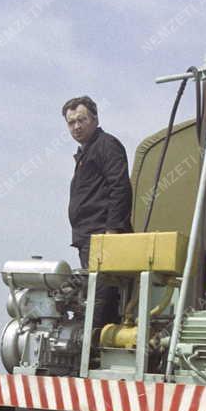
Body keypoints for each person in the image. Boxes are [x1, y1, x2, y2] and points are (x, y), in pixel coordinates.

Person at [63, 95, 134, 328]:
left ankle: (92, 353)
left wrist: (112, 231)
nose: (76, 126)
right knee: (90, 298)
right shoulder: (86, 152)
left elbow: (120, 187)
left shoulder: (106, 145)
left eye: (81, 120)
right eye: (71, 122)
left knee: (100, 300)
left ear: (95, 119)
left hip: (103, 237)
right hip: (88, 238)